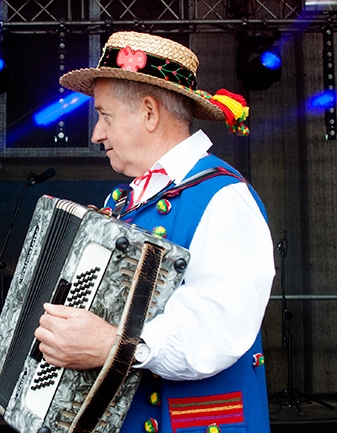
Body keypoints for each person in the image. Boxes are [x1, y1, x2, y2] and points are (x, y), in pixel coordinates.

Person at [34, 32, 275, 433]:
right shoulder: (122, 201)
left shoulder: (224, 198)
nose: (96, 134)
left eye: (105, 116)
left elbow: (215, 334)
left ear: (149, 112)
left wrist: (110, 345)